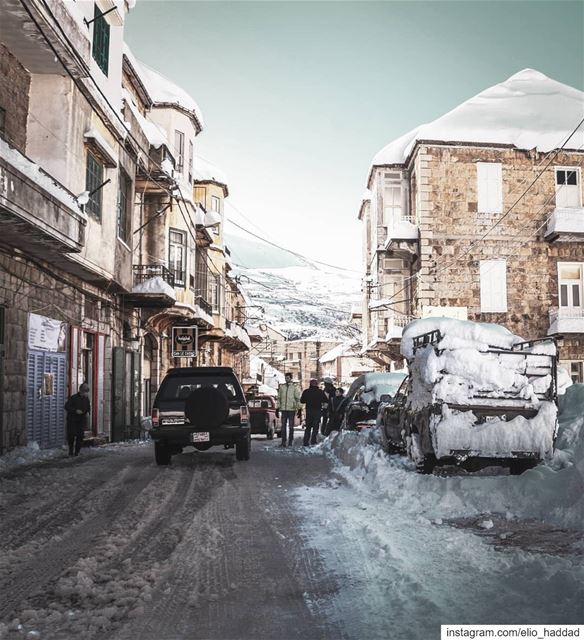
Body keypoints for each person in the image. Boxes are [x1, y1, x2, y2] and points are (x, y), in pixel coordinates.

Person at [300, 379, 328, 446]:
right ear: (317, 384)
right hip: (317, 410)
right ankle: (313, 440)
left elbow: (302, 401)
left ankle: (305, 441)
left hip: (309, 410)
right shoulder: (320, 392)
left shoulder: (306, 391)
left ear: (310, 384)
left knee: (308, 427)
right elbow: (326, 400)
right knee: (316, 427)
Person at [65, 383, 90, 456]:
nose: (86, 393)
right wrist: (75, 410)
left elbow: (88, 407)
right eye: (85, 391)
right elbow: (67, 407)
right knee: (71, 435)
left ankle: (77, 452)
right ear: (81, 391)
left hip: (81, 420)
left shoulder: (86, 399)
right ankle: (70, 451)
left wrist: (87, 413)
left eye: (86, 392)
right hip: (72, 420)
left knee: (80, 436)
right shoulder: (74, 398)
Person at [276, 373, 301, 447]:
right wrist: (277, 408)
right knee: (283, 426)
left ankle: (290, 441)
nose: (286, 379)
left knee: (291, 426)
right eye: (285, 378)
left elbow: (297, 399)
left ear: (291, 378)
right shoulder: (282, 387)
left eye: (288, 378)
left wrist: (299, 408)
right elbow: (279, 398)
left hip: (291, 409)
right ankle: (283, 442)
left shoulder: (294, 387)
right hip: (283, 409)